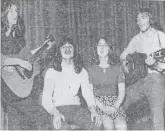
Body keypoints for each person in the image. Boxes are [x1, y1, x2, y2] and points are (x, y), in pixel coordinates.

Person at [1, 0, 53, 129]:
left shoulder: (17, 37)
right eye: (10, 11)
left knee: (19, 126)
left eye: (16, 11)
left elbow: (26, 55)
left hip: (18, 88)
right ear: (3, 14)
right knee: (43, 119)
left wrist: (43, 47)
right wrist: (19, 62)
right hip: (9, 88)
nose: (14, 14)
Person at [120, 7, 165, 130]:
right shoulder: (136, 39)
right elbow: (123, 56)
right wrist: (126, 66)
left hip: (156, 80)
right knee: (120, 104)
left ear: (150, 19)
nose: (140, 21)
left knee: (157, 118)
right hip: (138, 79)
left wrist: (154, 64)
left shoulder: (161, 36)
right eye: (137, 19)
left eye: (143, 17)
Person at [42, 36, 102, 130]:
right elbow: (46, 99)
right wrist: (55, 113)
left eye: (70, 47)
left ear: (74, 50)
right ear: (59, 51)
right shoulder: (52, 71)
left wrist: (94, 110)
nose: (67, 49)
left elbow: (88, 93)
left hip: (76, 109)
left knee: (96, 124)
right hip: (58, 108)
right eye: (64, 47)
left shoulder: (81, 71)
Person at [87, 37, 127, 130]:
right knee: (108, 125)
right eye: (99, 45)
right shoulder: (90, 69)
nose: (102, 48)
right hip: (98, 104)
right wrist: (103, 107)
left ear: (109, 49)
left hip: (115, 104)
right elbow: (90, 93)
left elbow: (122, 91)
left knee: (122, 126)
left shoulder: (117, 68)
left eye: (105, 45)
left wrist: (115, 107)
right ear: (95, 48)